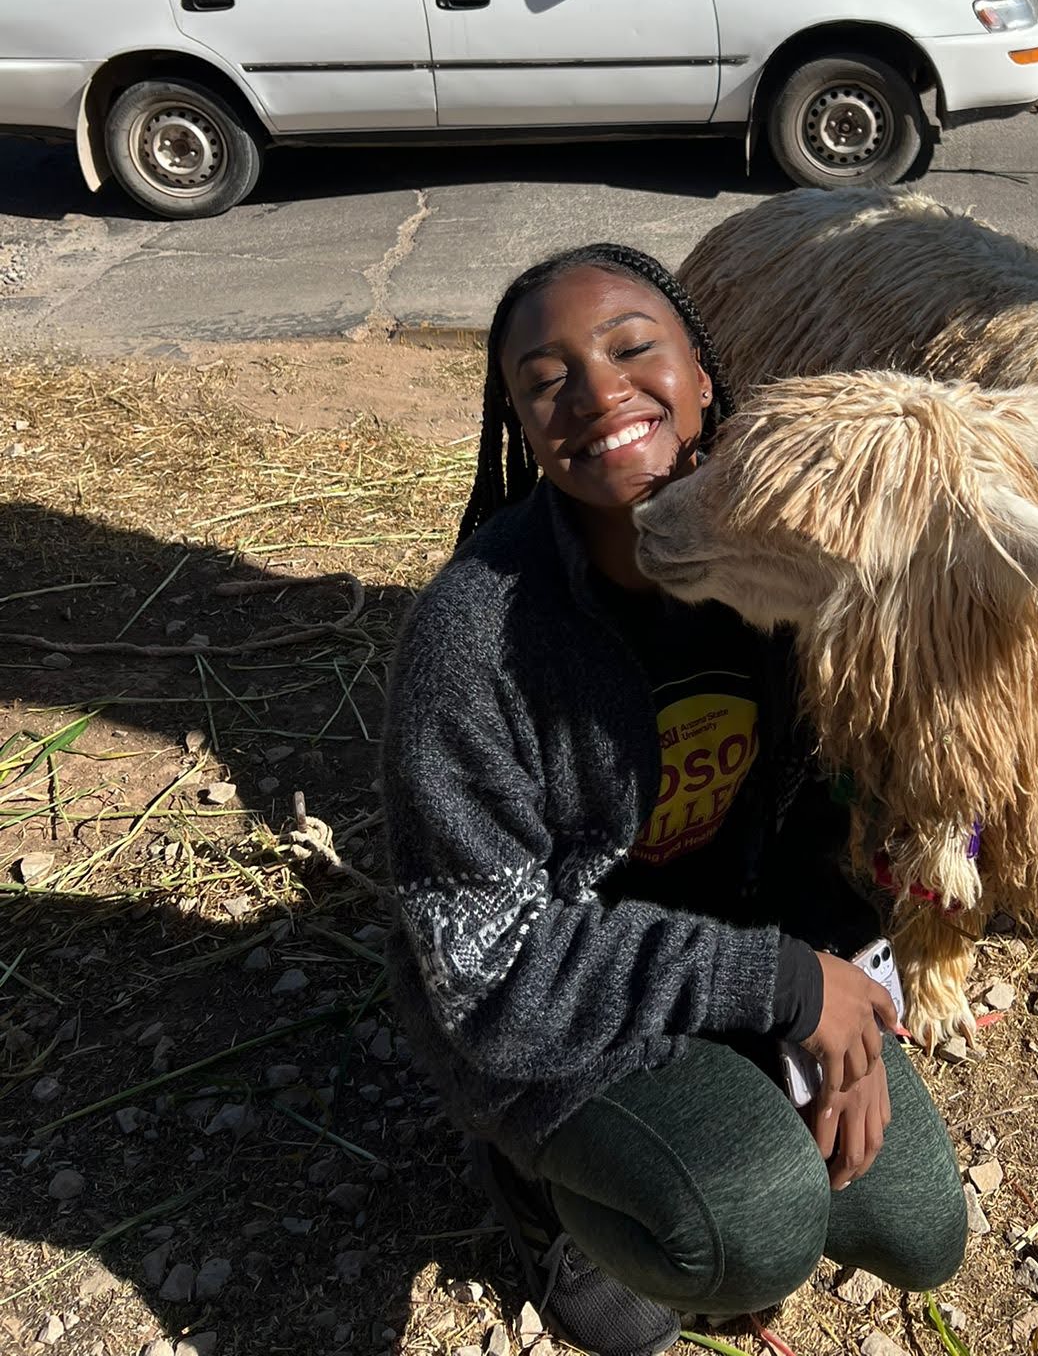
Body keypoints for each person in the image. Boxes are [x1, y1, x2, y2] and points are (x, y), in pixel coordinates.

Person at [383, 246, 967, 1356]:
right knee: (749, 1224)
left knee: (921, 1228)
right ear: (519, 424)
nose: (599, 393)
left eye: (632, 347)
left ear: (703, 371)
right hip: (537, 1006)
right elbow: (488, 966)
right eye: (545, 378)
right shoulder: (477, 638)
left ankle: (695, 1136)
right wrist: (787, 987)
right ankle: (536, 1185)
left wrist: (847, 960)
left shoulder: (788, 573)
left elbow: (821, 814)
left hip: (728, 951)